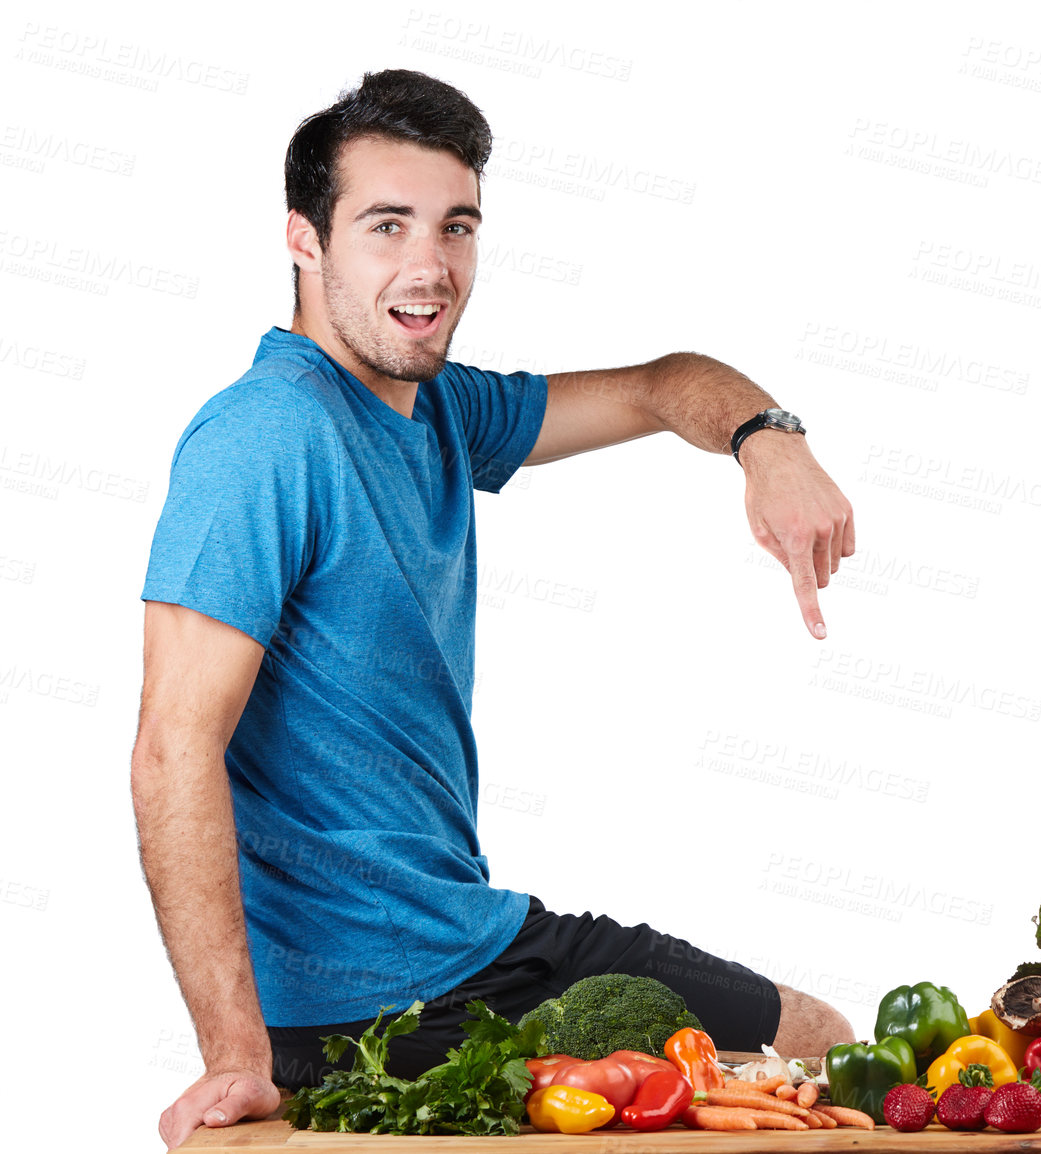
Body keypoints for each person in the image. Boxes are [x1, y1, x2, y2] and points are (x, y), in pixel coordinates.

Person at [132, 69, 857, 1149]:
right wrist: (237, 1056)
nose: (429, 267)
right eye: (386, 226)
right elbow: (170, 748)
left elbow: (664, 383)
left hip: (453, 949)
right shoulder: (265, 438)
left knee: (785, 1071)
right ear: (304, 240)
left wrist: (769, 436)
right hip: (400, 990)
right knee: (820, 1046)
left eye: (455, 226)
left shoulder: (440, 408)